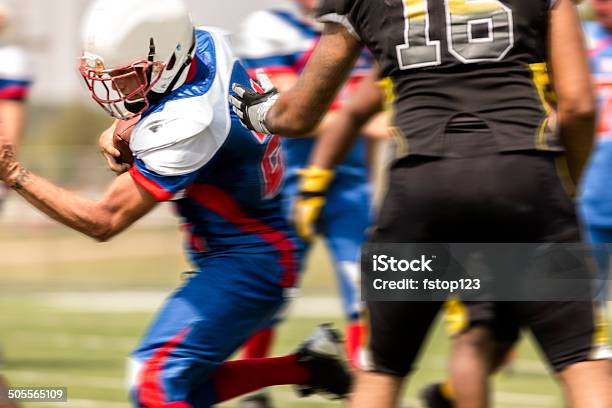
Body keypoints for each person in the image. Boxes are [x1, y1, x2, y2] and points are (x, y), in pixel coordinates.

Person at [230, 0, 612, 407]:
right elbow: (579, 106)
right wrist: (565, 182)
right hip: (526, 179)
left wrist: (260, 114)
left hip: (421, 188)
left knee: (381, 370)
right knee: (582, 360)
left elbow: (299, 116)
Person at [0, 0, 352, 407]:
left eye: (127, 79)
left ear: (162, 59)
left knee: (152, 379)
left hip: (249, 260)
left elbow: (104, 220)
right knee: (182, 384)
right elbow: (164, 97)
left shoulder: (190, 122)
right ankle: (307, 367)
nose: (115, 91)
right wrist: (123, 127)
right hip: (252, 245)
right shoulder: (203, 45)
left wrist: (14, 174)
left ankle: (311, 367)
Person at [234, 2, 387, 406]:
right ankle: (256, 388)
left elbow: (368, 121)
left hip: (350, 184)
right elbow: (290, 112)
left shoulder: (365, 20)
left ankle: (364, 389)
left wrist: (370, 172)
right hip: (286, 181)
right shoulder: (269, 26)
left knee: (365, 288)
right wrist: (365, 120)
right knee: (270, 289)